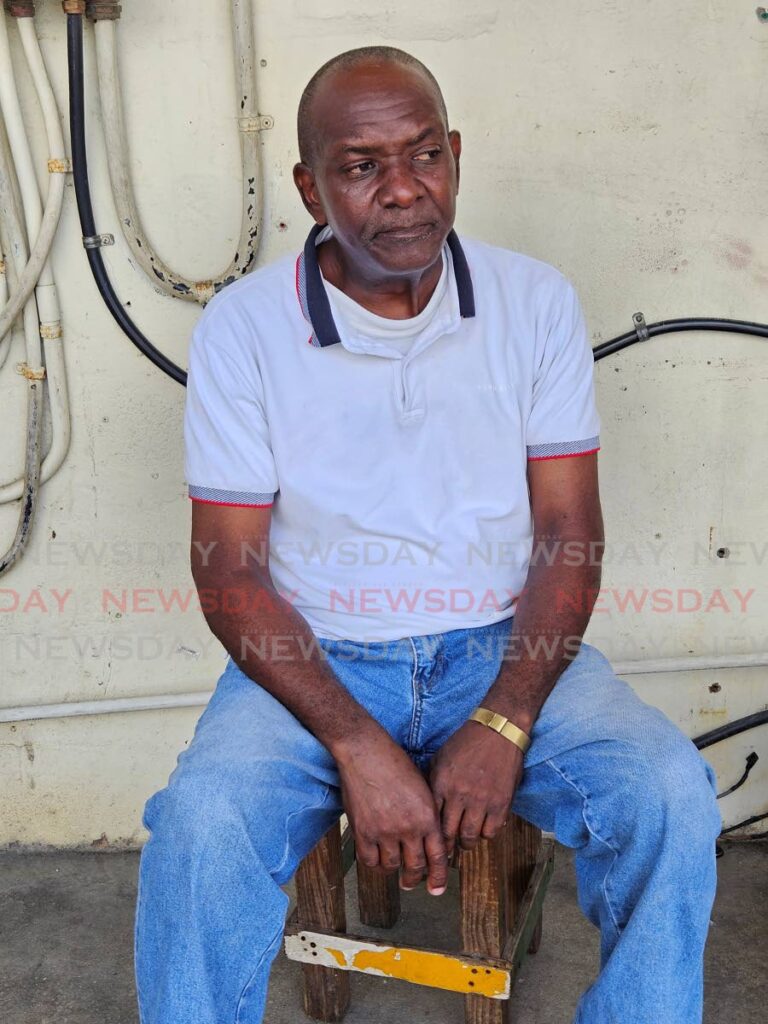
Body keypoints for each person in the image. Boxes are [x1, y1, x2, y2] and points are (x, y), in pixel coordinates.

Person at [134, 46, 722, 1024]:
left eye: (423, 156)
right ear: (309, 186)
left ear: (454, 154)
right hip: (312, 656)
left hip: (502, 643)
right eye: (361, 166)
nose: (403, 191)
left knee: (668, 793)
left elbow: (569, 534)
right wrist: (357, 743)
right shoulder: (244, 329)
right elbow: (228, 569)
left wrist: (502, 719)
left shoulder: (534, 303)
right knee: (200, 827)